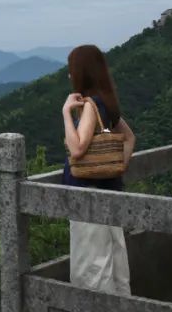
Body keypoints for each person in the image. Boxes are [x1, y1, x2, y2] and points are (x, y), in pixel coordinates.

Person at [61, 44, 136, 295]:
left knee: (92, 267)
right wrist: (117, 166)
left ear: (82, 72)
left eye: (72, 70)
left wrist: (66, 113)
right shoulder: (108, 103)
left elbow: (78, 148)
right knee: (115, 260)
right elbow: (130, 138)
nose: (70, 75)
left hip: (87, 195)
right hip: (110, 190)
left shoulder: (92, 106)